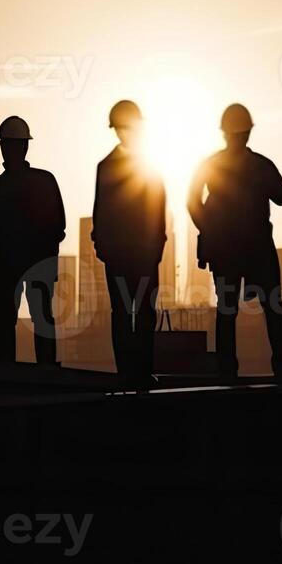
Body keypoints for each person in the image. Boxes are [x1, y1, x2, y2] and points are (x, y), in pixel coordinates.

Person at [187, 104, 282, 379]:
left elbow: (192, 200)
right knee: (272, 306)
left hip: (228, 249)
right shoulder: (259, 165)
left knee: (228, 309)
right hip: (256, 247)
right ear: (247, 132)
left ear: (225, 133)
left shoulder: (212, 165)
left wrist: (209, 229)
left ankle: (227, 370)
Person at [0, 116, 66, 366]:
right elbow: (59, 226)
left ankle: (7, 371)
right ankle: (45, 370)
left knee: (8, 320)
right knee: (38, 319)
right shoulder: (43, 182)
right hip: (35, 262)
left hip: (11, 263)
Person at [91, 100, 167, 388]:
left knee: (138, 312)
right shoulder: (113, 167)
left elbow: (157, 207)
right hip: (128, 255)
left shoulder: (136, 165)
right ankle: (130, 372)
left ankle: (137, 371)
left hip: (138, 254)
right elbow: (102, 212)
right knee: (127, 313)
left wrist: (156, 246)